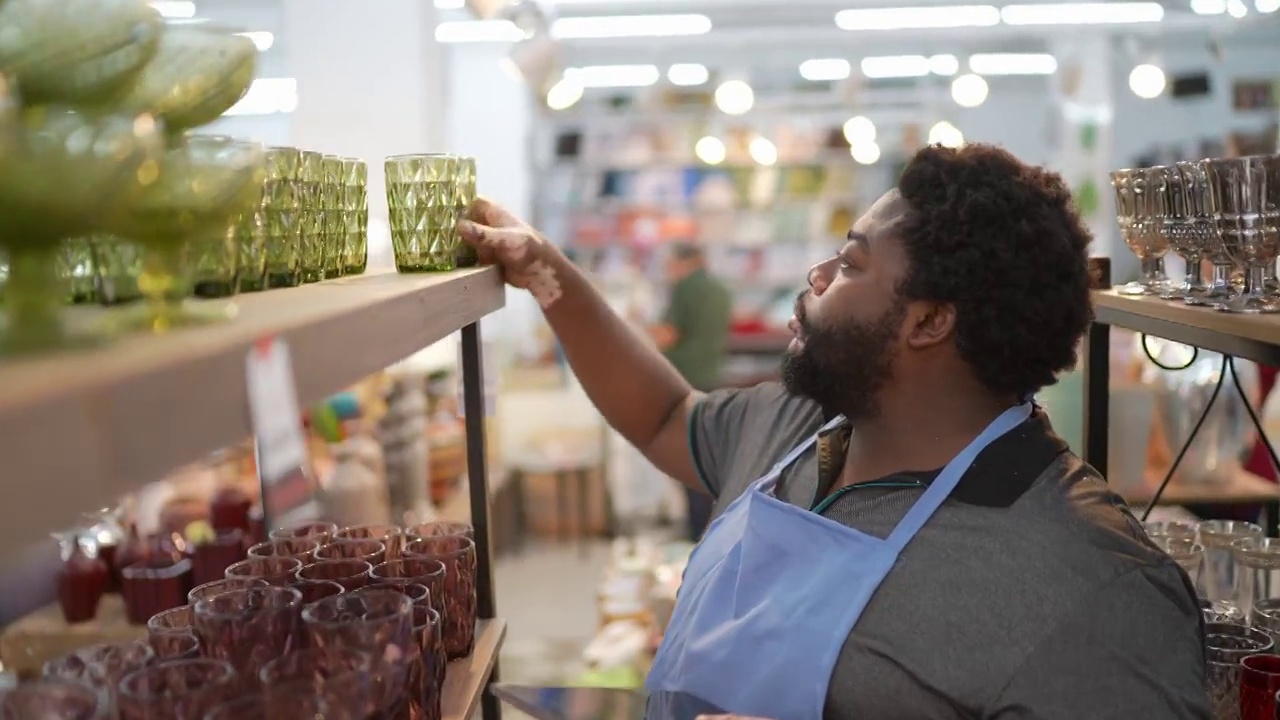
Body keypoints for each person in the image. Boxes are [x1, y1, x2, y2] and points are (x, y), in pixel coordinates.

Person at [459, 143, 1207, 720]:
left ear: (929, 320)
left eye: (850, 263)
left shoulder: (1096, 591)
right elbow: (663, 416)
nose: (815, 277)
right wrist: (545, 270)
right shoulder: (798, 427)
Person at [649, 241, 732, 541]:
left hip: (682, 383)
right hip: (711, 381)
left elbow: (668, 335)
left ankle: (695, 532)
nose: (669, 270)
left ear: (686, 262)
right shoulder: (721, 292)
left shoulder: (685, 289)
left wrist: (639, 328)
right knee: (706, 458)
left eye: (671, 263)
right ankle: (709, 528)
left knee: (685, 460)